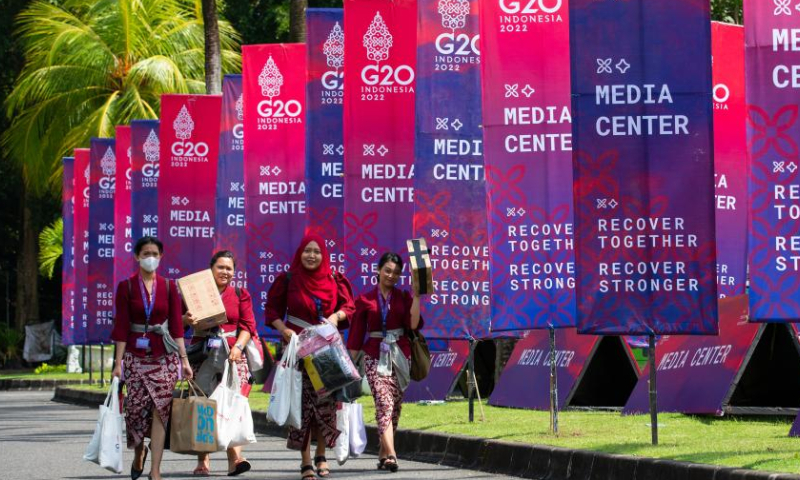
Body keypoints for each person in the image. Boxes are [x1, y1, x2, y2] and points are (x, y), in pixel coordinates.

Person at [265, 234, 355, 480]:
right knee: (301, 405)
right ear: (300, 253)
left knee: (326, 404)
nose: (312, 255)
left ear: (323, 255)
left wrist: (336, 316)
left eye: (317, 251)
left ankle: (321, 455)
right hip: (297, 349)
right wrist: (283, 329)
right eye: (307, 251)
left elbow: (349, 306)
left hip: (326, 351)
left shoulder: (334, 279)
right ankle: (305, 461)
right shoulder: (288, 279)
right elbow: (271, 310)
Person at [111, 236, 193, 480]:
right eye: (146, 253)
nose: (150, 258)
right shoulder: (126, 287)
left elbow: (177, 327)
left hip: (164, 358)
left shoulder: (169, 287)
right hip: (135, 357)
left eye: (155, 254)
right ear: (137, 256)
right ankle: (139, 451)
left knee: (161, 411)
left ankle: (155, 470)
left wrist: (184, 360)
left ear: (161, 257)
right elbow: (121, 327)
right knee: (135, 411)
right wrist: (117, 364)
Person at [183, 250, 258, 477]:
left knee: (234, 405)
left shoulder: (240, 294)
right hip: (203, 354)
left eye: (229, 268)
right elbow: (179, 324)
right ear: (211, 269)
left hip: (233, 354)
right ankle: (203, 460)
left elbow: (248, 326)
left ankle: (235, 460)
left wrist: (238, 347)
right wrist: (186, 319)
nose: (225, 272)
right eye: (220, 267)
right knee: (203, 405)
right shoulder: (195, 292)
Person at [347, 252, 423, 473]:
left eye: (396, 273)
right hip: (373, 355)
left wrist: (417, 297)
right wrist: (348, 365)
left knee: (395, 407)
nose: (391, 275)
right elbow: (356, 335)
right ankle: (391, 454)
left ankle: (382, 454)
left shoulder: (404, 297)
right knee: (384, 403)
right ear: (378, 270)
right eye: (387, 270)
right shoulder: (365, 300)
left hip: (400, 355)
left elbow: (414, 325)